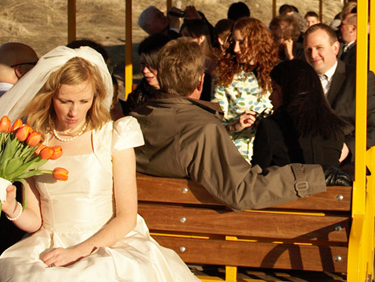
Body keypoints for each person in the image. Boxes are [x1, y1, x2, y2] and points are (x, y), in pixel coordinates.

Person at [0, 46, 210, 282]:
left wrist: (79, 251)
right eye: (64, 101)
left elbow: (126, 217)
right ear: (50, 96)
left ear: (96, 97)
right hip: (49, 240)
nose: (74, 111)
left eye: (83, 101)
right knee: (29, 271)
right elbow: (36, 220)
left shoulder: (113, 135)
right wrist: (12, 207)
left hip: (109, 240)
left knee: (96, 274)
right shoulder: (34, 140)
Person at [132, 39, 327, 211]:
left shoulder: (135, 120)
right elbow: (241, 190)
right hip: (194, 232)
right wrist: (314, 176)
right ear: (201, 81)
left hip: (150, 225)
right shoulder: (202, 130)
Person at [251, 60, 352, 183]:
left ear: (290, 91)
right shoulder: (335, 126)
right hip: (332, 199)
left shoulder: (271, 127)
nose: (270, 97)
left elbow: (257, 177)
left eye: (275, 89)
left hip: (287, 199)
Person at [303, 24, 375, 169]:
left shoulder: (359, 78)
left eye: (319, 48)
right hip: (305, 163)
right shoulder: (299, 80)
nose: (313, 55)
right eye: (308, 50)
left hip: (344, 165)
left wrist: (348, 147)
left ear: (335, 48)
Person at [211, 17, 277, 161]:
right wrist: (235, 126)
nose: (235, 49)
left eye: (242, 43)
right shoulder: (224, 76)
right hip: (236, 157)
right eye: (233, 42)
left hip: (270, 156)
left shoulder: (277, 74)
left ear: (257, 42)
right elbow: (214, 126)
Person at [122, 33, 172, 115]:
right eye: (142, 64)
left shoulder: (182, 95)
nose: (145, 70)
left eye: (151, 64)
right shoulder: (136, 96)